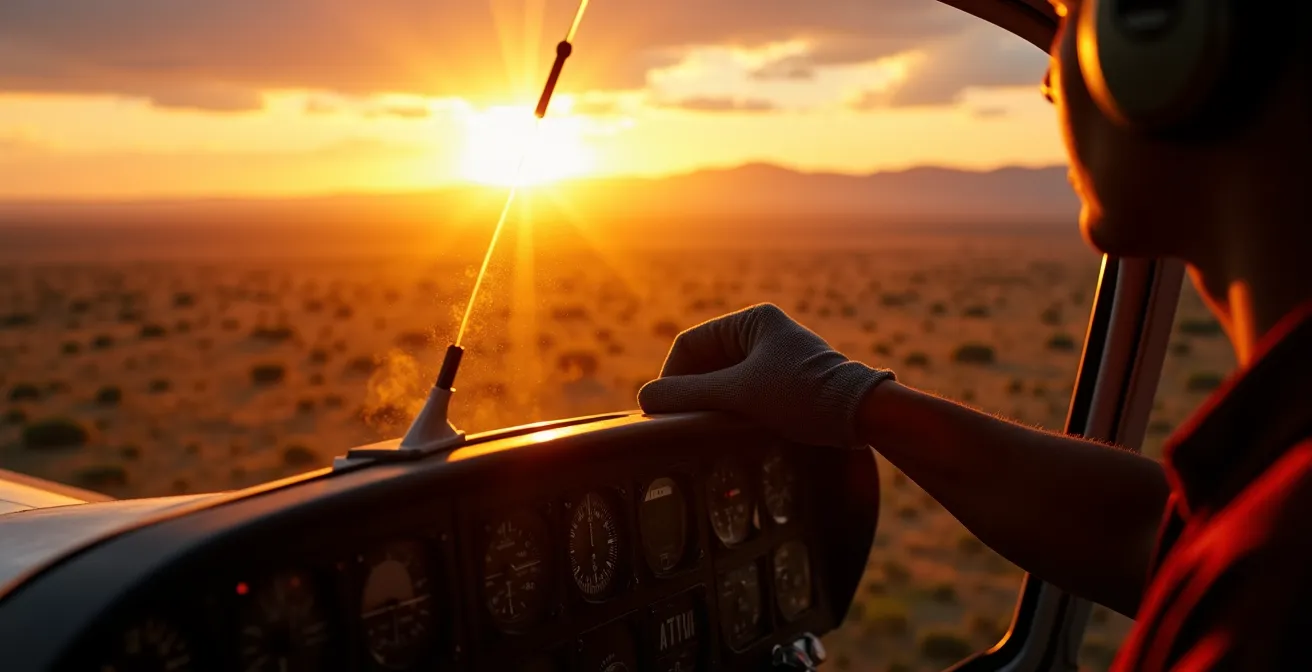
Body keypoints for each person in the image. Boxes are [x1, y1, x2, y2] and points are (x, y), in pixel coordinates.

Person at [638, 0, 1312, 669]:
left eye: (1077, 15)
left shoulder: (1270, 598)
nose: (1051, 82)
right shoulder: (1273, 490)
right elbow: (1151, 533)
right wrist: (849, 398)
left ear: (1166, 37)